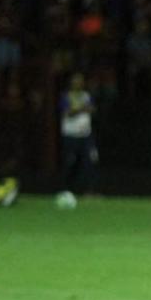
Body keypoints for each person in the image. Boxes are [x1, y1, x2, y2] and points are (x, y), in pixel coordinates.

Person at [56, 73, 98, 204]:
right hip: (71, 135)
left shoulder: (86, 96)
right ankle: (66, 190)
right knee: (70, 163)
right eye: (76, 81)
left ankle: (89, 191)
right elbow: (67, 112)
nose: (78, 83)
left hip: (86, 135)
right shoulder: (66, 96)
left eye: (80, 81)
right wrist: (82, 109)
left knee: (90, 161)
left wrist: (82, 109)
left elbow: (92, 109)